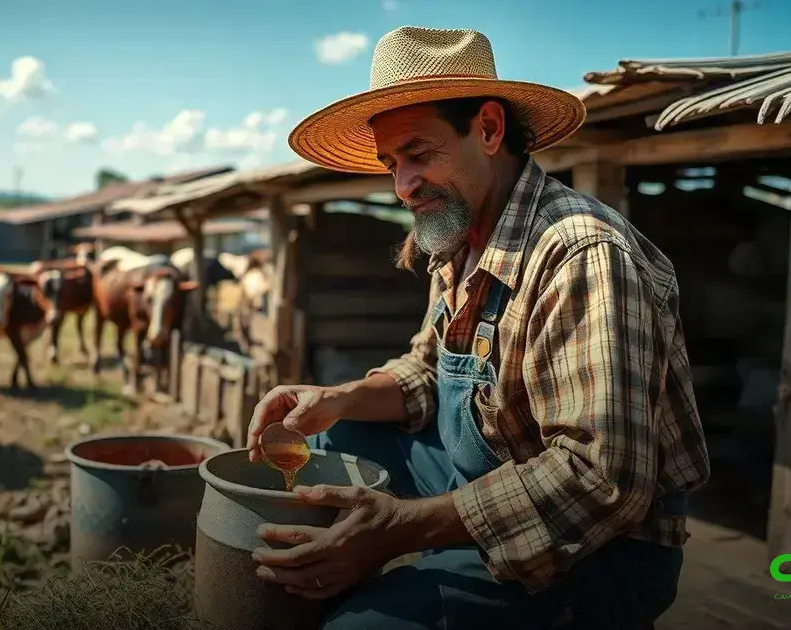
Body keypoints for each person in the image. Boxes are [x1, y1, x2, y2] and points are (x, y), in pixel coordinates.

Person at [246, 26, 711, 630]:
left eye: (418, 153)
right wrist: (338, 399)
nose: (402, 187)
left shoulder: (582, 255)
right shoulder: (459, 239)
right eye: (392, 164)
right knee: (332, 444)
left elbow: (601, 478)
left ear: (488, 130)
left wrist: (399, 530)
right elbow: (427, 369)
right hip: (490, 471)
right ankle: (342, 576)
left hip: (597, 552)